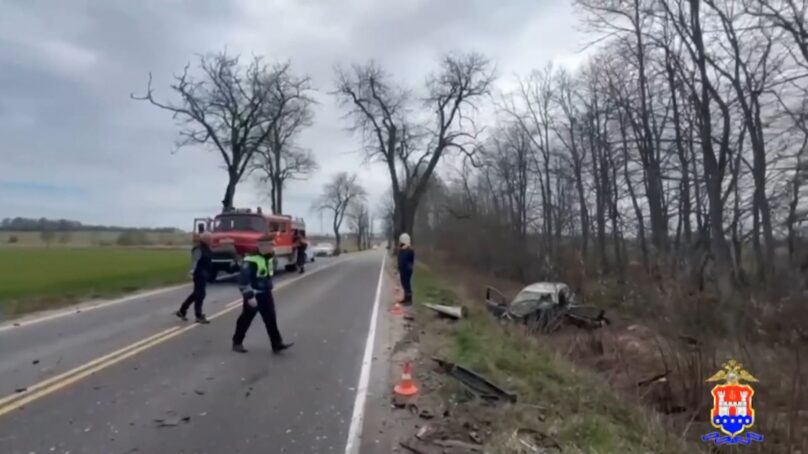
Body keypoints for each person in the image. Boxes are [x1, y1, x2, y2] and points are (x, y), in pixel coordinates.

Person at [232, 236, 294, 354]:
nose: (272, 247)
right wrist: (249, 296)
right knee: (246, 319)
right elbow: (243, 281)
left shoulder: (269, 258)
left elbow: (267, 274)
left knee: (271, 319)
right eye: (271, 245)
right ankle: (237, 342)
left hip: (266, 293)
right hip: (254, 295)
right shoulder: (250, 260)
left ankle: (276, 344)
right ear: (262, 246)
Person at [176, 232, 212, 324]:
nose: (211, 240)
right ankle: (198, 315)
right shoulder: (198, 249)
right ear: (204, 239)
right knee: (200, 295)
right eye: (209, 238)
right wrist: (192, 271)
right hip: (199, 273)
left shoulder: (207, 248)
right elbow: (194, 261)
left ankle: (182, 310)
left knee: (196, 294)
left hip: (204, 273)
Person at [397, 233, 415, 306]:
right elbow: (400, 259)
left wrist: (409, 267)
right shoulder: (401, 249)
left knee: (407, 284)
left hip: (407, 270)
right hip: (402, 269)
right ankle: (405, 298)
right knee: (404, 283)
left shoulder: (410, 250)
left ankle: (409, 300)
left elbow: (411, 260)